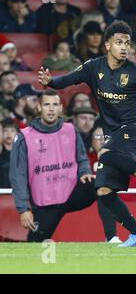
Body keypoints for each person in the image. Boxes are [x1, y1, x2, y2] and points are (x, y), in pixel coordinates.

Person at [38, 20, 136, 247]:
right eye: (119, 42)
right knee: (103, 190)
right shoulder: (94, 67)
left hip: (134, 130)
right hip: (114, 134)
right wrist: (50, 81)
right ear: (107, 44)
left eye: (128, 43)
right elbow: (68, 80)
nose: (124, 47)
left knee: (104, 153)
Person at [10, 90, 97, 242]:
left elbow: (82, 159)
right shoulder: (24, 137)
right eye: (46, 104)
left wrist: (85, 172)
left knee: (104, 182)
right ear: (39, 107)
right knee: (35, 245)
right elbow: (18, 176)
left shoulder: (71, 130)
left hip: (71, 194)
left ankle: (113, 236)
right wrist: (23, 209)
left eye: (55, 104)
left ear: (61, 108)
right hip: (45, 202)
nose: (51, 109)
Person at [0, 118, 18, 188]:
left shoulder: (22, 154)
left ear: (17, 133)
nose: (9, 133)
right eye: (5, 130)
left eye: (12, 131)